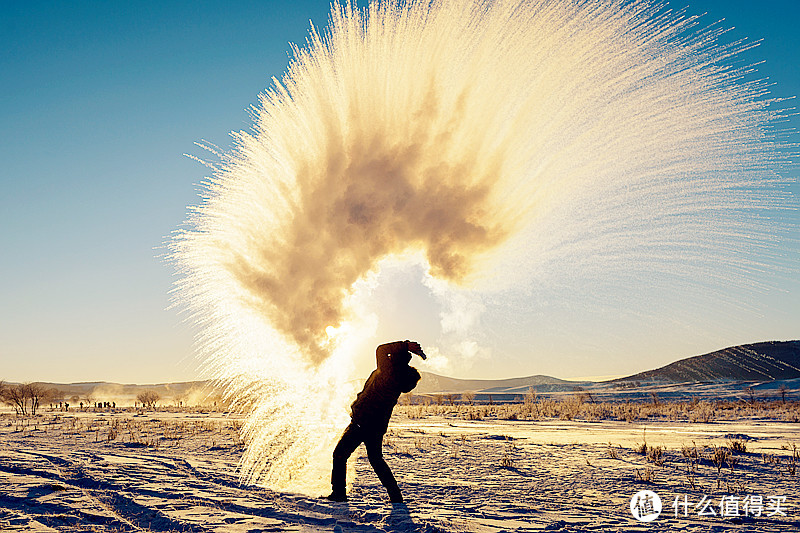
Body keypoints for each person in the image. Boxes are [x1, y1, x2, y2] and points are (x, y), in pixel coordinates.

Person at [327, 340, 426, 503]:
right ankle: (395, 496)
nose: (388, 356)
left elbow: (381, 349)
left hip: (362, 422)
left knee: (339, 454)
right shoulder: (400, 376)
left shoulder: (388, 371)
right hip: (377, 426)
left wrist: (405, 345)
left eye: (391, 356)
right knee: (376, 460)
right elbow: (384, 352)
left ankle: (338, 493)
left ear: (394, 359)